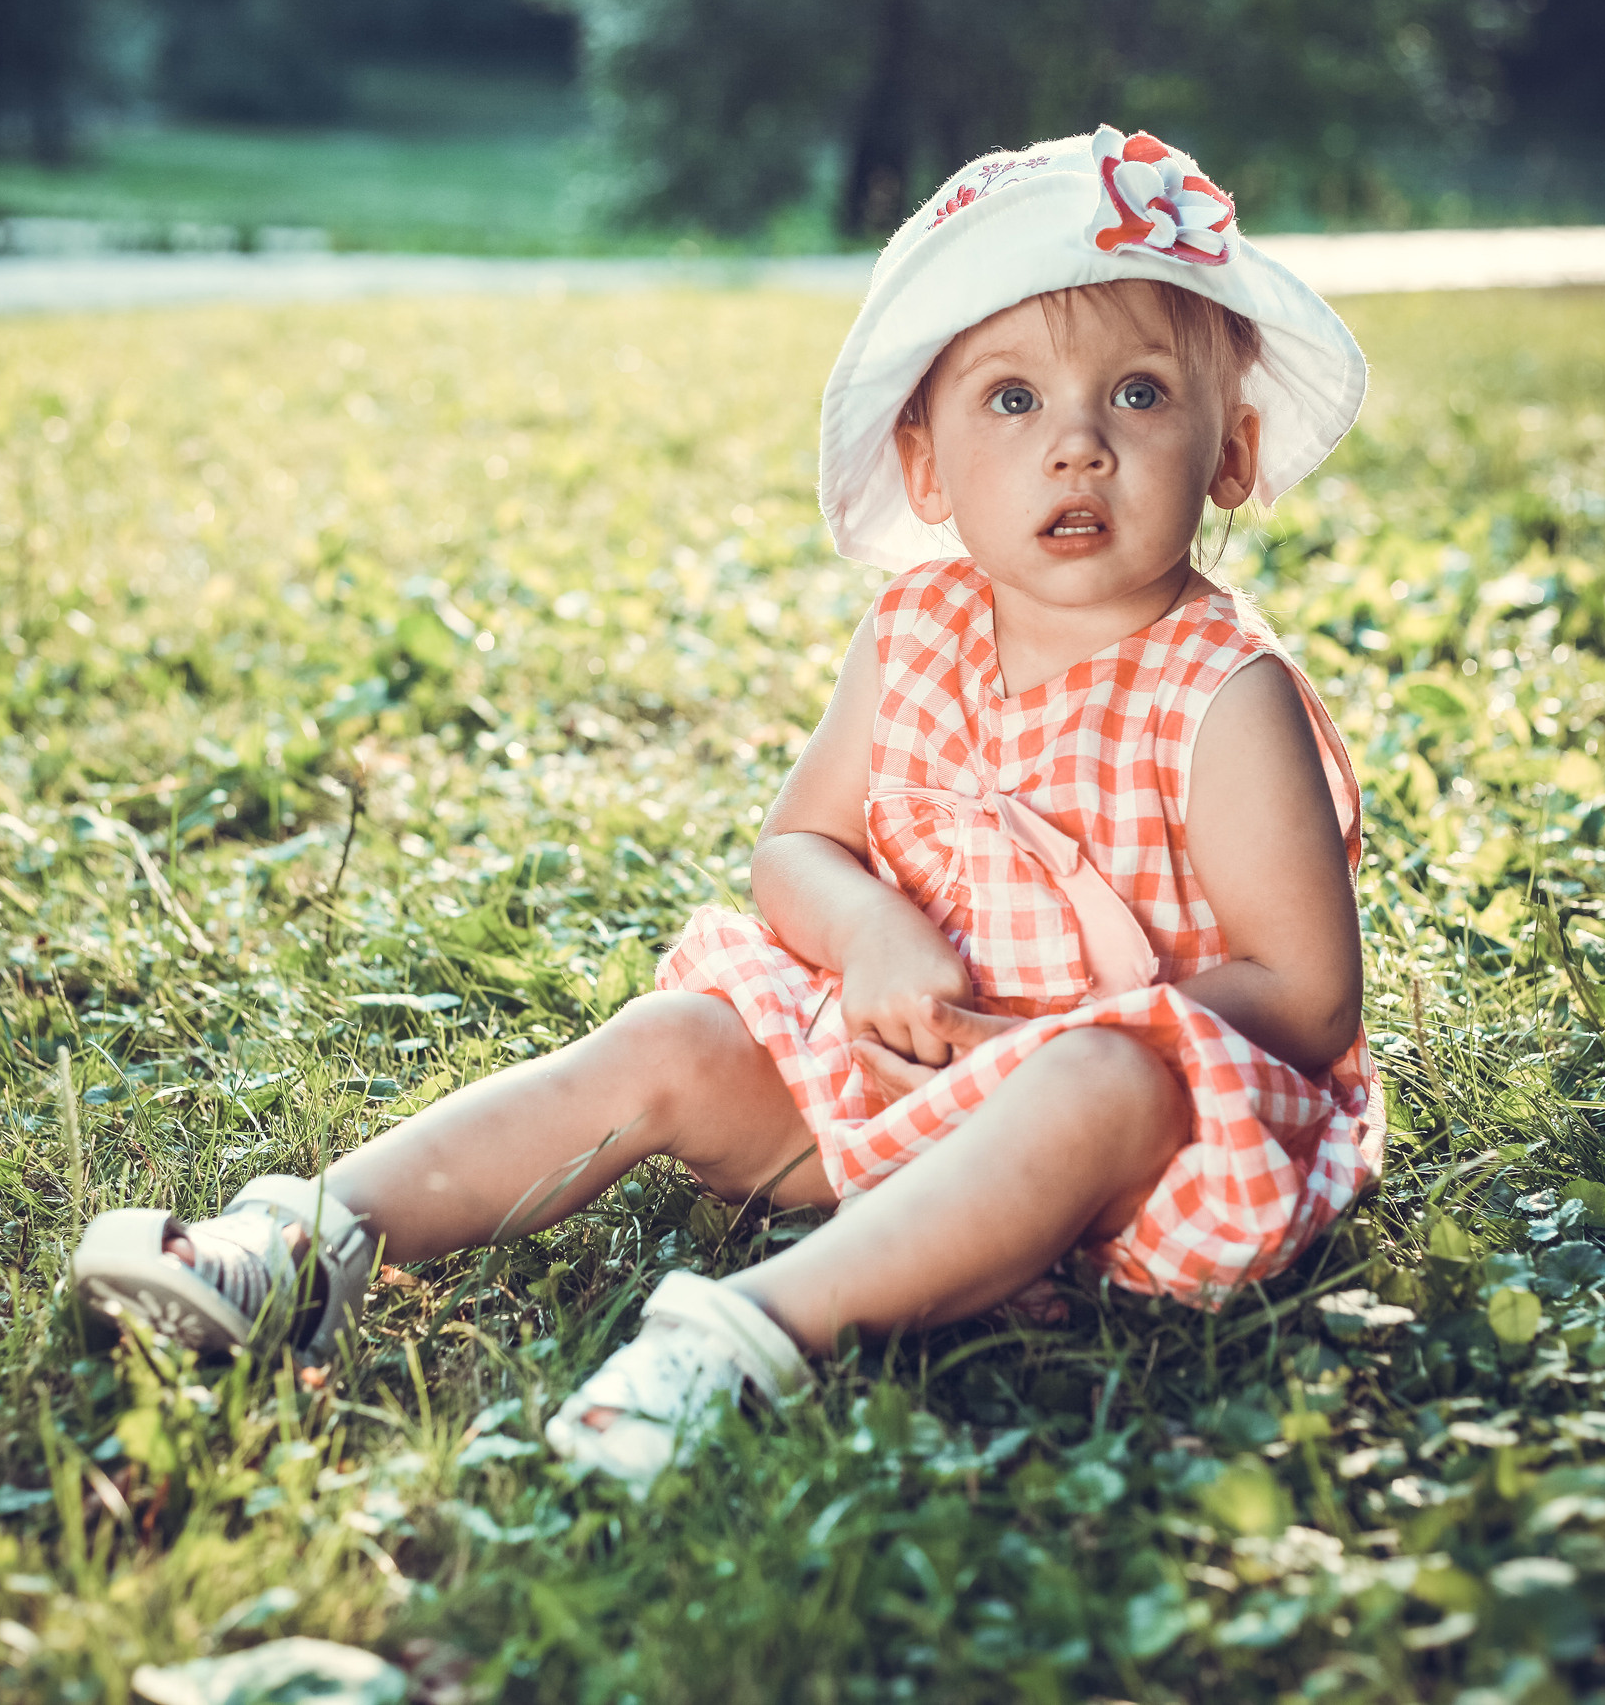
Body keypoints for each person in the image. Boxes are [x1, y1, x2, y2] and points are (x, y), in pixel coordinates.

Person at [70, 125, 1385, 1494]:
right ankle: (303, 1241)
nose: (1076, 447)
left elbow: (1306, 995)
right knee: (676, 1039)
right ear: (924, 463)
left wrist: (1048, 1040)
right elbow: (796, 849)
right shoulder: (917, 635)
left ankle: (742, 1339)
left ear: (1228, 452)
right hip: (893, 1078)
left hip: (1133, 1148)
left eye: (1137, 396)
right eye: (1011, 401)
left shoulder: (1223, 694)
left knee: (1100, 1083)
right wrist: (872, 934)